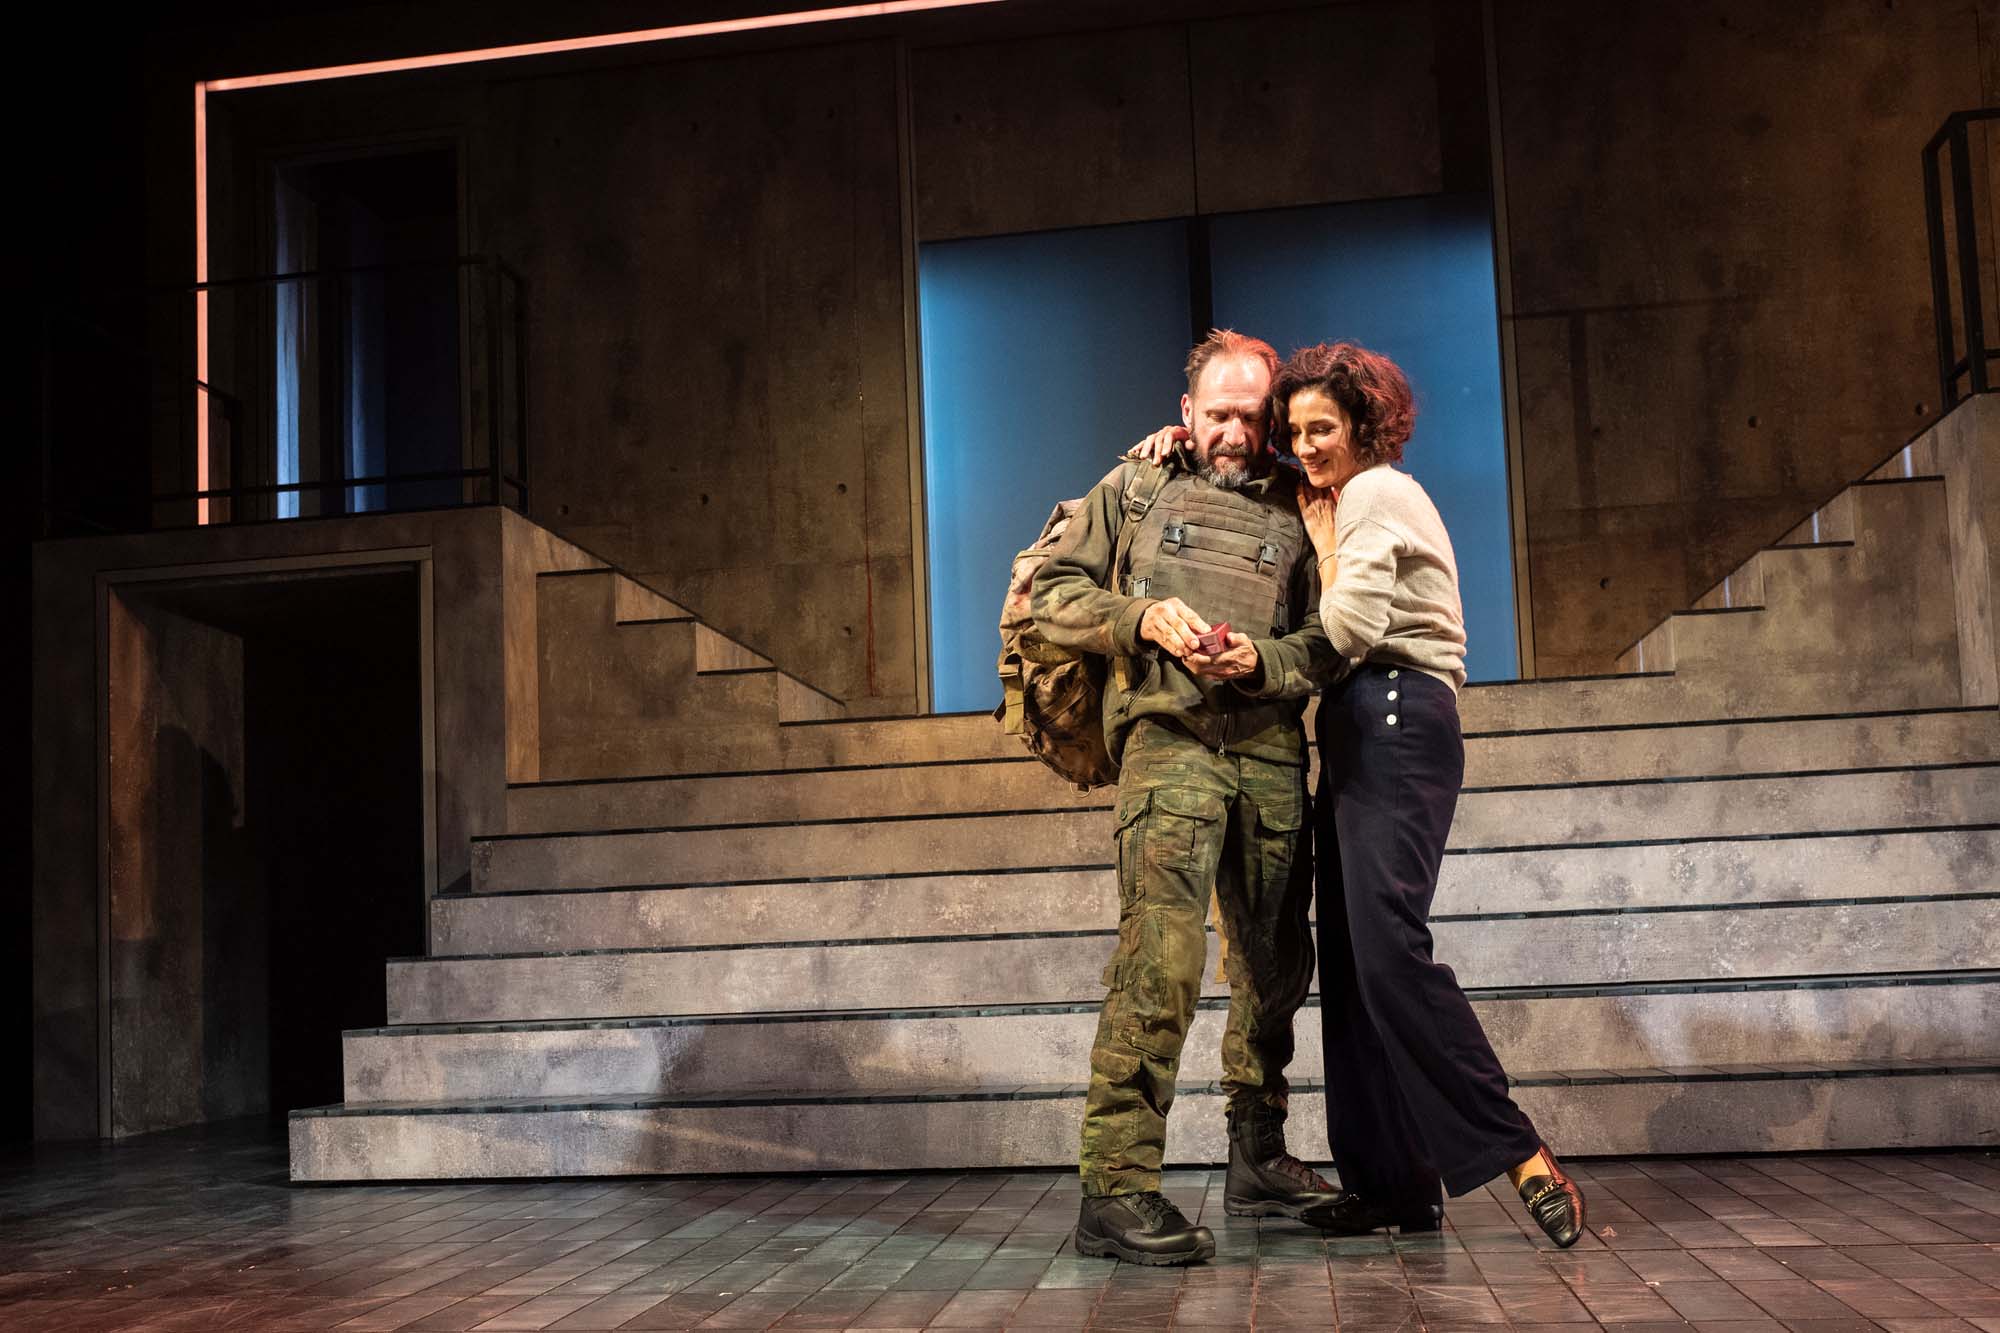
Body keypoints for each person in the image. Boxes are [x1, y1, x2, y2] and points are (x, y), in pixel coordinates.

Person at [1030, 329, 1345, 1266]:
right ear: (1186, 416)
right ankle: (1117, 1190)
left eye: (1254, 416)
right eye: (1219, 415)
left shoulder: (1304, 506)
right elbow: (1049, 591)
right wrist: (1135, 617)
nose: (1237, 433)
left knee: (1276, 967)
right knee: (1159, 965)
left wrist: (1267, 661)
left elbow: (1333, 636)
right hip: (1170, 749)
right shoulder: (1134, 488)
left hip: (1270, 755)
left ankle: (1256, 1153)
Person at [1278, 341, 1586, 1248]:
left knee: (1386, 950)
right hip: (1360, 722)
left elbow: (1352, 626)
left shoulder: (1376, 492)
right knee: (1351, 962)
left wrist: (1328, 553)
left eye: (1322, 427)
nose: (1306, 447)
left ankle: (1518, 1148)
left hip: (1396, 711)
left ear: (1365, 423)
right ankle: (1393, 1183)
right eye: (1294, 431)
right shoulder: (1348, 498)